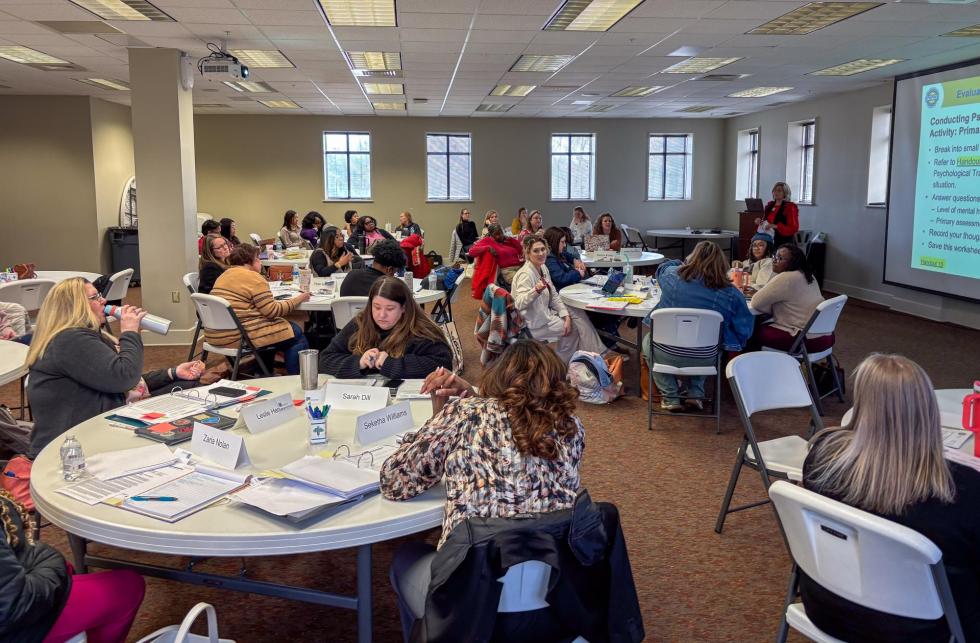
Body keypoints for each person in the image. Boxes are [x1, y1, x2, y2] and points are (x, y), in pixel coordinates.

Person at [383, 340, 584, 638]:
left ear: (496, 375)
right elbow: (518, 427)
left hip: (473, 594)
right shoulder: (572, 428)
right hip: (555, 587)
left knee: (405, 557)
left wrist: (439, 420)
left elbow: (395, 482)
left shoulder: (463, 414)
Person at [801, 353, 980, 642]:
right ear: (928, 410)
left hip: (828, 608)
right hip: (923, 631)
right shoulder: (962, 489)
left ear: (862, 406)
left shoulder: (821, 456)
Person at [25, 278, 205, 458]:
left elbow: (118, 377)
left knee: (188, 389)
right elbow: (123, 377)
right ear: (75, 306)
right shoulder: (69, 340)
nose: (103, 301)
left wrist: (172, 373)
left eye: (100, 295)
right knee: (181, 414)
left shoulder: (85, 335)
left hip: (100, 417)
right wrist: (129, 332)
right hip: (73, 444)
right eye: (95, 298)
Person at [0, 489, 146, 642]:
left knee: (68, 570)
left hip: (13, 599)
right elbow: (15, 604)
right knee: (127, 587)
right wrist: (52, 563)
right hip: (14, 624)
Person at [647, 241, 753, 411]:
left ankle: (671, 396)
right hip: (706, 356)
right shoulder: (731, 292)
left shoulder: (672, 277)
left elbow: (662, 268)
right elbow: (744, 328)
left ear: (692, 258)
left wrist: (682, 263)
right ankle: (696, 393)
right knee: (711, 339)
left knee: (648, 342)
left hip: (666, 352)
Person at [320, 277, 451, 379]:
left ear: (404, 307)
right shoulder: (360, 323)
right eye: (376, 307)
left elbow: (443, 364)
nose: (381, 315)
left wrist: (391, 364)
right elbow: (325, 359)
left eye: (390, 308)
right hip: (363, 398)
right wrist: (359, 362)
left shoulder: (420, 330)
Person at [208, 244, 310, 374]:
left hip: (217, 334)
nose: (260, 262)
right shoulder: (254, 278)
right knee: (295, 333)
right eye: (258, 258)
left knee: (276, 330)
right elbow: (273, 311)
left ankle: (263, 372)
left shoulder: (223, 276)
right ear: (251, 261)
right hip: (238, 337)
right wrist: (300, 298)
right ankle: (295, 379)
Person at [511, 234, 605, 363]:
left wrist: (565, 316)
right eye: (536, 251)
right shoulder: (525, 274)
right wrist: (535, 291)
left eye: (543, 249)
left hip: (542, 317)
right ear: (528, 253)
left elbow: (554, 295)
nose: (541, 253)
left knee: (571, 324)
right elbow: (518, 304)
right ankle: (561, 364)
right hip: (530, 324)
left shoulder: (542, 267)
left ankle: (563, 363)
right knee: (573, 329)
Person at [749, 243, 829, 352]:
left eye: (780, 258)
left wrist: (773, 309)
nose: (774, 260)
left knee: (751, 332)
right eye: (774, 256)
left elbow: (756, 303)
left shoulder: (786, 277)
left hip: (802, 338)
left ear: (793, 262)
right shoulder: (808, 275)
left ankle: (754, 364)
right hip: (822, 333)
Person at [339, 238, 406, 297]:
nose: (394, 275)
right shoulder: (390, 287)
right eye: (395, 272)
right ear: (390, 269)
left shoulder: (352, 275)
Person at [468, 224, 524, 293]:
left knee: (533, 279)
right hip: (508, 270)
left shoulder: (507, 240)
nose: (500, 235)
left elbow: (521, 249)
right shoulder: (487, 241)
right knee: (524, 282)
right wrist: (487, 248)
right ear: (491, 235)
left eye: (501, 232)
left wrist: (510, 239)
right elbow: (471, 252)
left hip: (521, 266)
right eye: (497, 234)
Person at [757, 181, 799, 247]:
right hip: (769, 238)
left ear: (785, 193)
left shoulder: (790, 207)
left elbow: (794, 228)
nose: (776, 192)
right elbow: (766, 221)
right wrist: (760, 222)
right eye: (775, 190)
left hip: (784, 241)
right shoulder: (770, 205)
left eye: (779, 191)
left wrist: (775, 226)